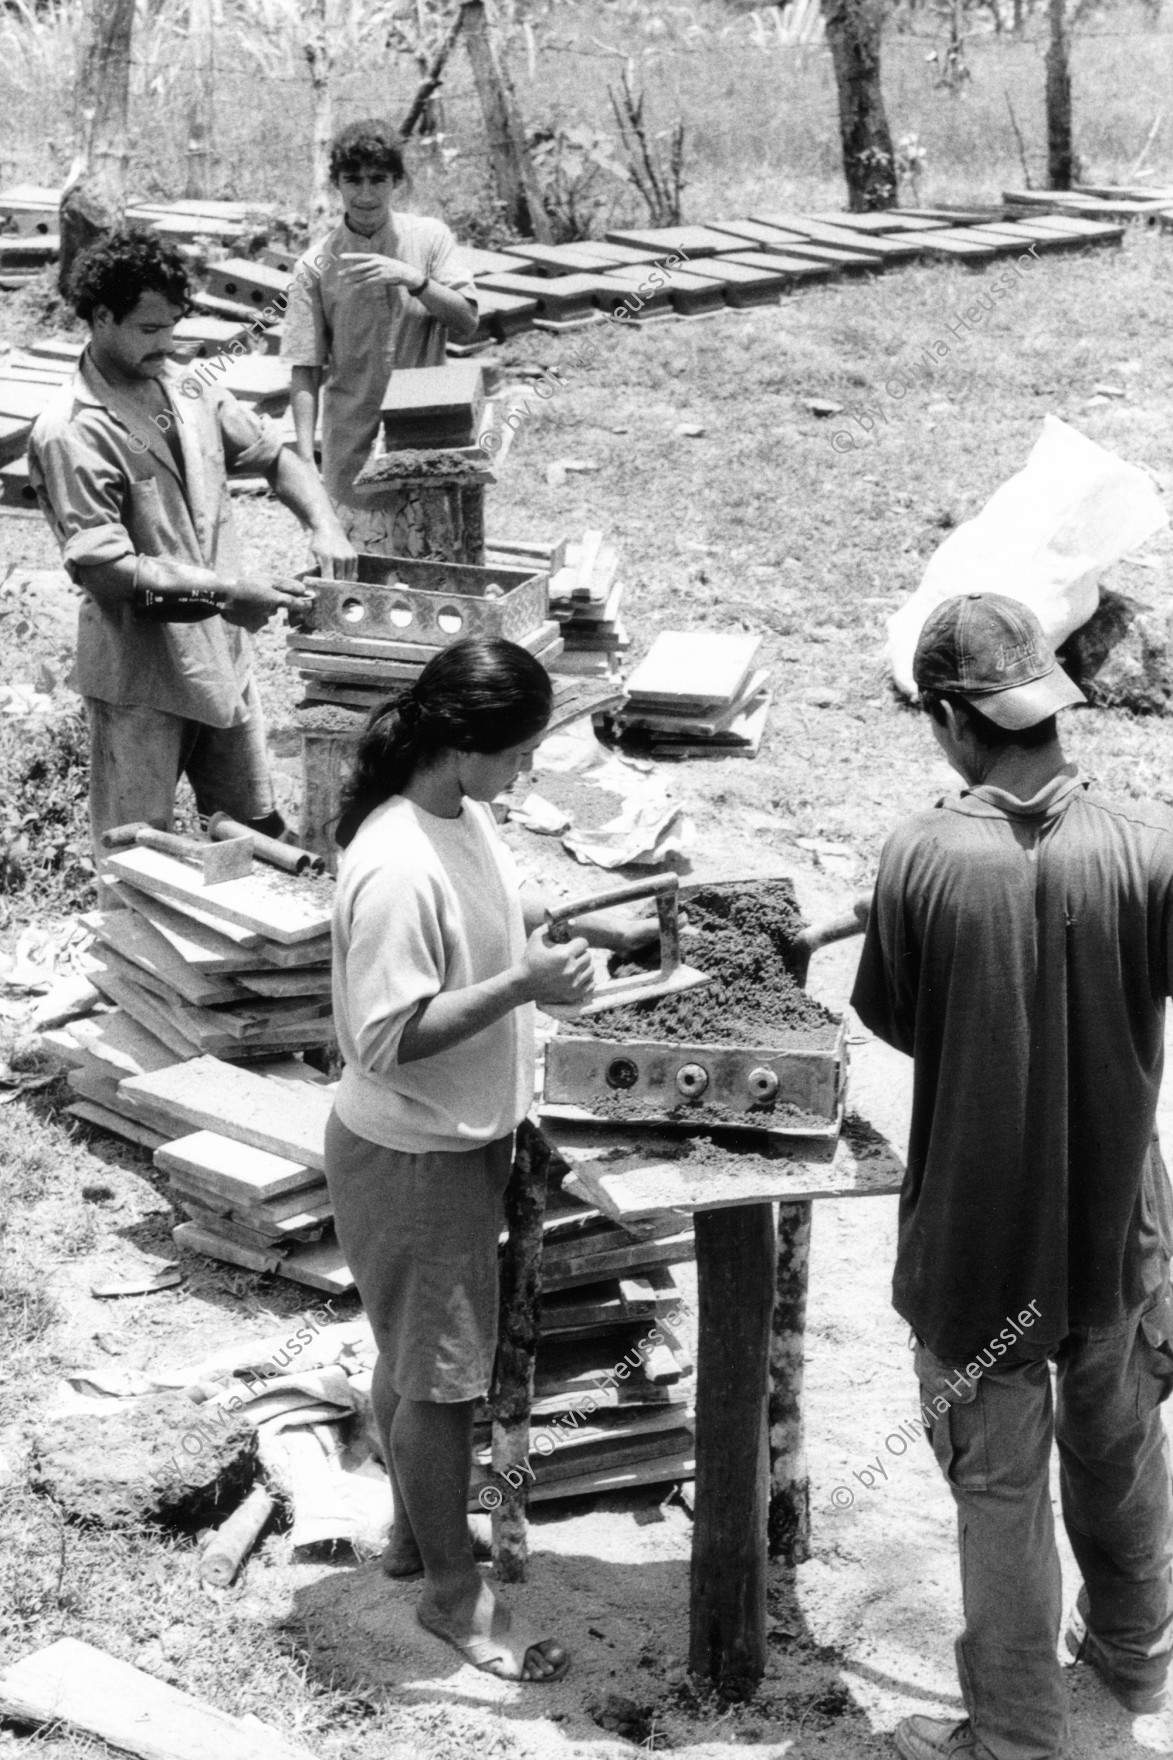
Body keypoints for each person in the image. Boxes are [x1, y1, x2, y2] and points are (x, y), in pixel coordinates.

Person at [851, 591, 1173, 1760]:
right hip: (1114, 1233)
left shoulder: (923, 853)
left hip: (980, 1255)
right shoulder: (1146, 846)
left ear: (950, 719)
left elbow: (898, 1019)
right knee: (1120, 1441)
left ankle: (1016, 1734)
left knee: (998, 1489)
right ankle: (1135, 1654)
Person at [327, 635, 655, 1683]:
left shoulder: (457, 815)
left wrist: (550, 932)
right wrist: (521, 986)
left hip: (452, 1142)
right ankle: (453, 1599)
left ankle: (413, 1536)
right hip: (412, 1155)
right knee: (440, 1383)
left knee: (413, 1360)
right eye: (515, 754)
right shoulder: (391, 863)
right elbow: (383, 1034)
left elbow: (487, 914)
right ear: (461, 744)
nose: (523, 774)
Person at [27, 229, 356, 856]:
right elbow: (106, 572)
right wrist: (230, 593)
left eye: (173, 326)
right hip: (141, 676)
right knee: (137, 856)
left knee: (253, 832)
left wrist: (324, 522)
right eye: (149, 329)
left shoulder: (188, 386)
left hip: (222, 661)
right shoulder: (73, 430)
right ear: (101, 317)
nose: (166, 344)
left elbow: (273, 456)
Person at [282, 118, 479, 533]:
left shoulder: (430, 239)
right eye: (353, 180)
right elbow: (305, 367)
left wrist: (414, 279)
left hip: (429, 435)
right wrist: (304, 459)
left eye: (378, 179)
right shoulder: (314, 266)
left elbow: (466, 322)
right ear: (336, 183)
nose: (366, 194)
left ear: (397, 182)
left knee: (435, 566)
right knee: (360, 573)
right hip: (352, 442)